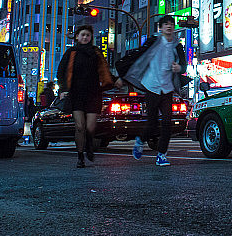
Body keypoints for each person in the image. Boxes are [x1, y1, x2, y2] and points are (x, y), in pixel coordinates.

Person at [117, 15, 187, 166]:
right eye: (166, 24)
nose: (169, 27)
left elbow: (184, 65)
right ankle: (140, 140)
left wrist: (179, 68)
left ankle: (161, 155)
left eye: (171, 24)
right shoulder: (153, 41)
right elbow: (138, 55)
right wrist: (123, 76)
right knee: (152, 123)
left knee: (168, 123)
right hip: (152, 86)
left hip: (167, 88)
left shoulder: (177, 46)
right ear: (160, 28)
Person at [57, 24, 122, 168]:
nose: (85, 37)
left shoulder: (96, 52)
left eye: (88, 35)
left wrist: (114, 80)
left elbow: (103, 70)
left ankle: (89, 145)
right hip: (76, 93)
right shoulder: (71, 52)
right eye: (83, 35)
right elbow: (61, 71)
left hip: (93, 92)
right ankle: (80, 156)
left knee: (91, 127)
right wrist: (63, 89)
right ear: (77, 37)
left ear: (91, 37)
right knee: (79, 127)